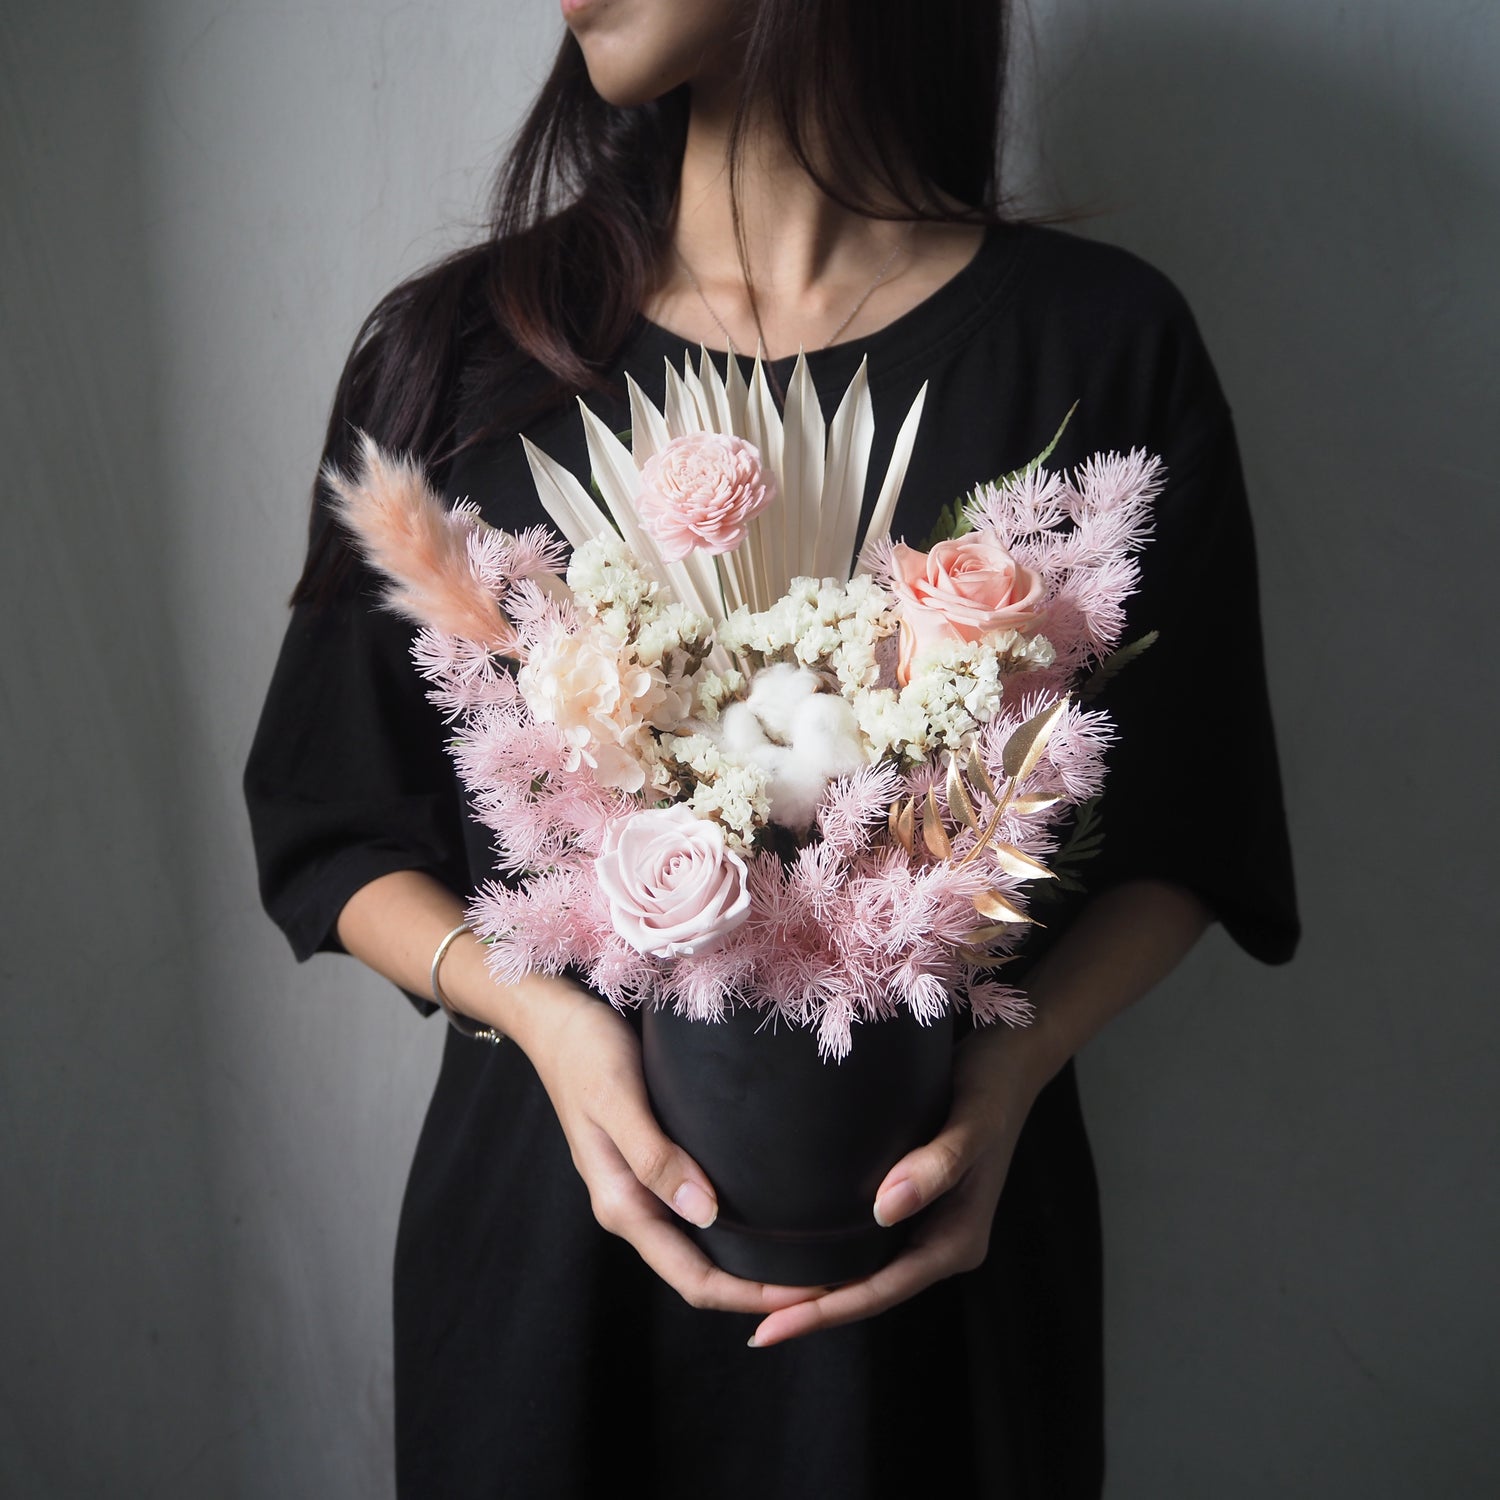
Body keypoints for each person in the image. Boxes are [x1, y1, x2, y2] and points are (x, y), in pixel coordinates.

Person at [242, 1, 1302, 1494]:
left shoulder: (1098, 344)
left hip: (936, 1264)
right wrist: (545, 1022)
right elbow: (332, 821)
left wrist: (1012, 1078)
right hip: (555, 1285)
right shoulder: (461, 353)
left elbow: (1194, 829)